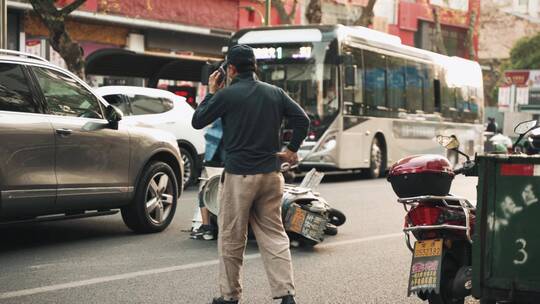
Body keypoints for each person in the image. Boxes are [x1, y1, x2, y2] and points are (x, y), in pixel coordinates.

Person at [192, 44, 310, 304]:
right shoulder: (275, 93)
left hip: (239, 177)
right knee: (275, 235)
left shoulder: (226, 95)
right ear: (254, 66)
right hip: (270, 175)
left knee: (232, 237)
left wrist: (212, 93)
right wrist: (291, 149)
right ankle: (286, 295)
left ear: (230, 69)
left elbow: (198, 121)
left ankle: (230, 296)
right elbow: (302, 120)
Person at [191, 118, 225, 241]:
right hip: (242, 158)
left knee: (207, 191)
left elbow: (199, 121)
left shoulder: (223, 101)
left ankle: (207, 228)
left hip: (219, 157)